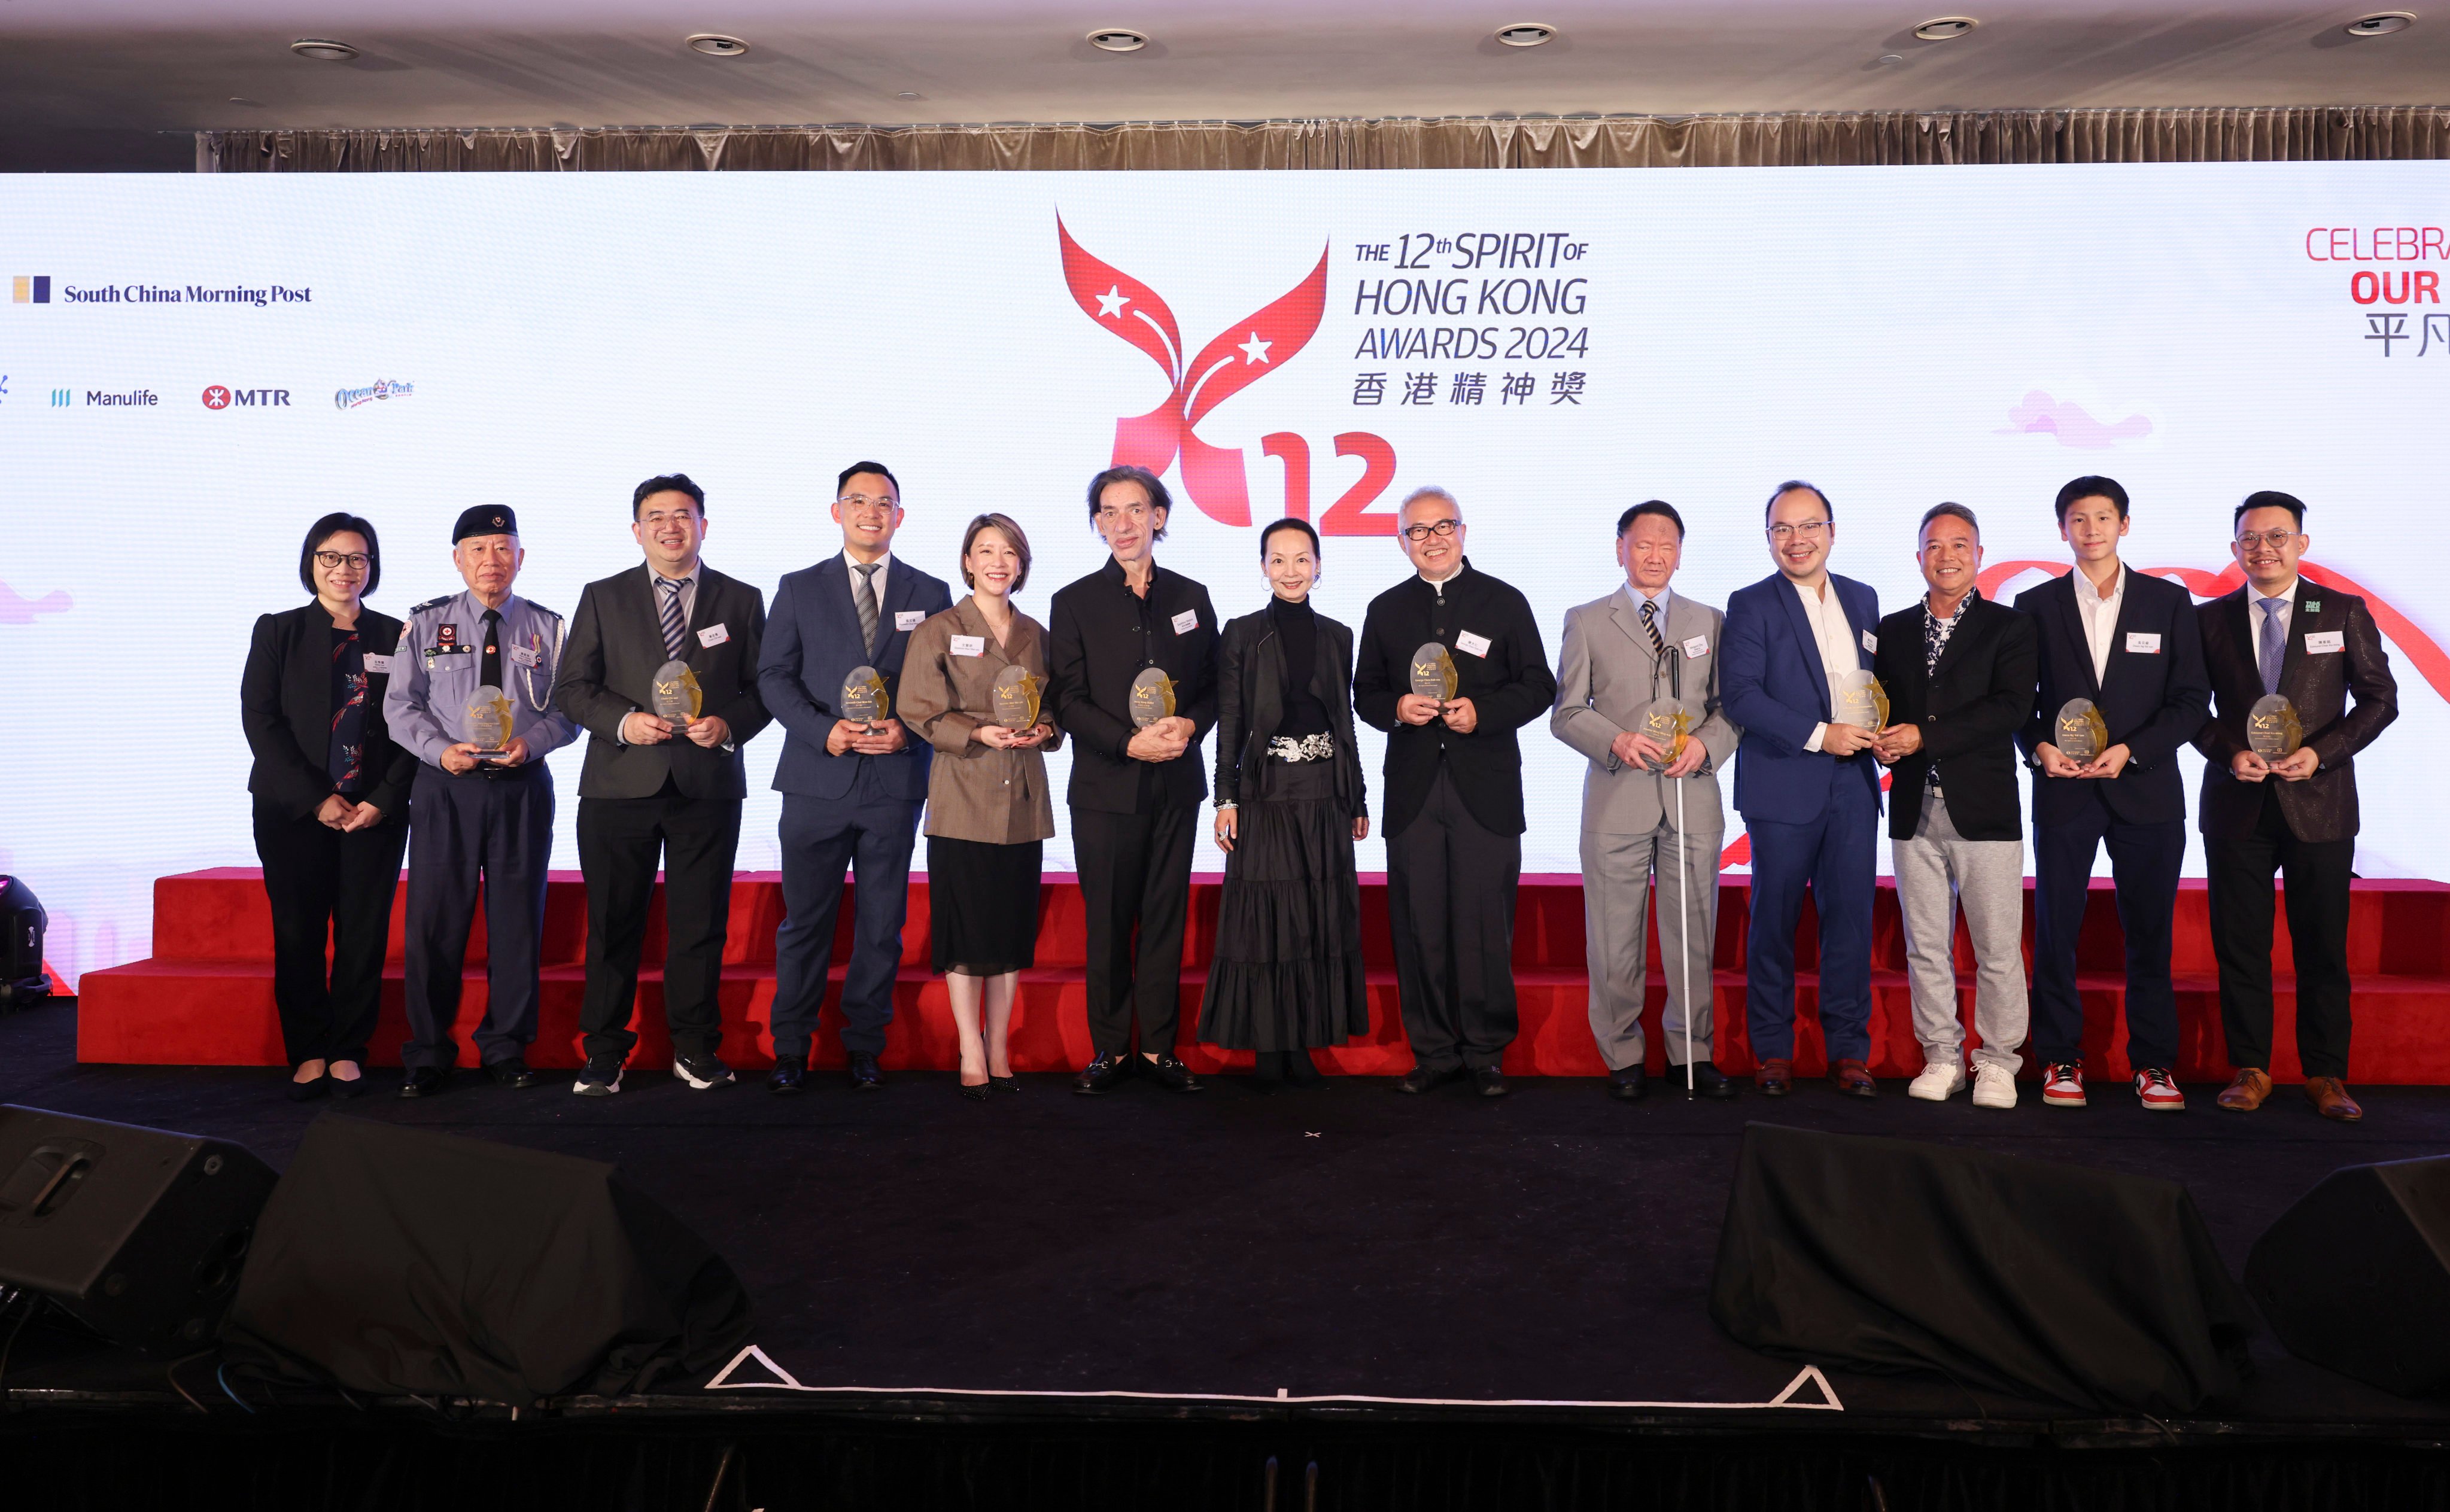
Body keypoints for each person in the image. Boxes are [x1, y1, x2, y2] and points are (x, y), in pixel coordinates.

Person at [554, 474, 770, 1096]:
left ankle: (696, 1049)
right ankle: (603, 1051)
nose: (671, 526)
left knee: (699, 924)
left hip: (706, 784)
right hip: (618, 785)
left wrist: (728, 724)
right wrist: (624, 722)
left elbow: (766, 687)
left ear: (704, 523)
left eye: (683, 514)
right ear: (636, 530)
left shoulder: (742, 599)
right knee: (613, 924)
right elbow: (572, 688)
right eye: (656, 517)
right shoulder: (603, 596)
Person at [2194, 491, 2397, 1122]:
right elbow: (2183, 709)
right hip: (2237, 804)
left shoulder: (2339, 610)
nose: (2263, 548)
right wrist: (2227, 752)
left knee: (2321, 947)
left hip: (2321, 803)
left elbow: (2378, 698)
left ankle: (2325, 1074)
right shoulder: (2208, 620)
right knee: (2240, 945)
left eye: (2276, 536)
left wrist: (2323, 753)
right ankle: (2250, 1068)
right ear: (2233, 549)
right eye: (2250, 538)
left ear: (2301, 544)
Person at [2015, 475, 2209, 1113]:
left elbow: (2189, 702)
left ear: (2123, 525)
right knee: (2056, 930)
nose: (2090, 529)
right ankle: (2059, 1058)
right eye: (2078, 519)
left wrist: (2131, 750)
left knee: (2149, 931)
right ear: (2062, 529)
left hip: (2146, 790)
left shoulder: (2166, 602)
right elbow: (2019, 702)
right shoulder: (2034, 605)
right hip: (2064, 793)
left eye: (2103, 517)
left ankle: (2153, 1063)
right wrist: (2038, 747)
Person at [1354, 486, 1557, 1097]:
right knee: (1419, 921)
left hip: (1485, 789)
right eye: (1418, 530)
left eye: (1443, 526)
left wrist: (1483, 711)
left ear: (1463, 533)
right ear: (1401, 542)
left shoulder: (1502, 601)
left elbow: (1538, 685)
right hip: (1414, 789)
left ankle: (1485, 1050)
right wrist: (1395, 707)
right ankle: (1434, 1051)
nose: (1432, 538)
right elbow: (1363, 694)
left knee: (1481, 921)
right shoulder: (1384, 609)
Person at [758, 462, 953, 1094]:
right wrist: (824, 731)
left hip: (893, 782)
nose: (872, 512)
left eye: (885, 503)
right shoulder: (798, 587)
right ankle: (790, 1048)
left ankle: (864, 1046)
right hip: (818, 778)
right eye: (859, 500)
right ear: (836, 511)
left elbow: (944, 684)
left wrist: (909, 728)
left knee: (880, 925)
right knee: (804, 923)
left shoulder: (931, 590)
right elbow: (773, 678)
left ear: (900, 515)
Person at [383, 506, 579, 1097]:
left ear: (520, 556)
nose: (490, 561)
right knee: (436, 923)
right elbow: (400, 705)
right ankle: (428, 1050)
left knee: (517, 922)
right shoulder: (425, 623)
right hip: (447, 786)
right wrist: (440, 751)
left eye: (502, 548)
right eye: (478, 549)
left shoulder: (549, 627)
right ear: (457, 558)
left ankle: (506, 1046)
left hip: (521, 786)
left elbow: (569, 710)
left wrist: (532, 741)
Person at [1551, 500, 1738, 1102]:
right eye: (1642, 544)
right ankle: (1622, 1053)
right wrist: (1614, 739)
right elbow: (1566, 711)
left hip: (1690, 795)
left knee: (1693, 933)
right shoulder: (1585, 619)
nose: (1654, 555)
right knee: (1614, 937)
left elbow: (1730, 706)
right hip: (1616, 798)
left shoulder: (1708, 620)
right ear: (1619, 548)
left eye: (1666, 545)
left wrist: (1706, 748)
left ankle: (1693, 1052)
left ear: (1679, 552)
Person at [1047, 465, 1218, 1095]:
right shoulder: (1073, 602)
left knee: (1165, 917)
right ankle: (1109, 1048)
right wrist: (1127, 742)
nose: (1122, 522)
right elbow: (1066, 698)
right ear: (1097, 523)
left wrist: (1190, 726)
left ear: (1159, 517)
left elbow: (1211, 684)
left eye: (1135, 509)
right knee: (1109, 921)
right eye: (1108, 512)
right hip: (1105, 787)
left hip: (1176, 783)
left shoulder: (1191, 596)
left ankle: (1159, 1050)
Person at [242, 514, 417, 1101]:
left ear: (372, 566)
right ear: (311, 562)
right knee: (298, 930)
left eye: (357, 558)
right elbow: (260, 721)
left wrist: (383, 799)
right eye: (332, 557)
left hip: (374, 812)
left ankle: (347, 1048)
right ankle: (308, 1048)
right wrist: (316, 799)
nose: (345, 569)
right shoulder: (279, 631)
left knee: (364, 934)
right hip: (294, 811)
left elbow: (414, 724)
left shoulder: (397, 634)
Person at [1870, 504, 2038, 1111]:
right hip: (1913, 806)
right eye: (1933, 546)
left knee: (1997, 945)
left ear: (1978, 555)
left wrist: (1923, 736)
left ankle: (1997, 1060)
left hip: (1984, 805)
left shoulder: (2008, 627)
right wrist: (1882, 744)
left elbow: (2010, 709)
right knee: (1925, 944)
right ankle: (1941, 1053)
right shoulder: (1890, 629)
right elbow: (1879, 708)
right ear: (1918, 557)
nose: (1945, 556)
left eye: (1958, 545)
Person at [1720, 481, 1882, 1098]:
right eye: (1781, 529)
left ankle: (1847, 1051)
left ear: (1831, 532)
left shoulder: (1863, 599)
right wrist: (1820, 735)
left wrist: (1878, 735)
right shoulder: (1750, 603)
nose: (1796, 540)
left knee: (1849, 924)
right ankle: (1772, 1052)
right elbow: (1742, 696)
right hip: (1783, 786)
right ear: (1768, 538)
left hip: (1852, 787)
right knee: (1773, 923)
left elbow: (1871, 689)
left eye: (1807, 526)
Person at [1202, 518, 1371, 1085]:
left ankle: (1303, 1041)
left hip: (1325, 790)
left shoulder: (1339, 635)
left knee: (1316, 918)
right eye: (1279, 560)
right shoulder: (1242, 633)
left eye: (1303, 560)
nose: (1292, 571)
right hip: (1265, 791)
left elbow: (1343, 720)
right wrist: (1225, 798)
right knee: (1267, 922)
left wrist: (1358, 794)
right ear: (1263, 567)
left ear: (1319, 566)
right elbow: (1231, 722)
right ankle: (1269, 1048)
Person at [900, 514, 1062, 1099]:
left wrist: (1044, 731)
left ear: (1021, 564)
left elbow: (1054, 709)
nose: (997, 561)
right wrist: (975, 732)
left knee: (1010, 931)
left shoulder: (1036, 632)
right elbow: (917, 707)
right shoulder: (939, 629)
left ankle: (999, 1048)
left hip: (1020, 794)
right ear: (967, 560)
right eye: (984, 550)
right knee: (967, 932)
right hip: (962, 792)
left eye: (1008, 552)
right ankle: (971, 1046)